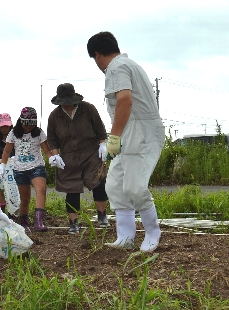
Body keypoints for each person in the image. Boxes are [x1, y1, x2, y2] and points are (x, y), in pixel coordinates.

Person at [87, 31, 165, 252]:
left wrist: (113, 138)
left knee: (134, 187)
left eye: (95, 60)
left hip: (140, 132)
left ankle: (152, 231)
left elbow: (125, 101)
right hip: (130, 131)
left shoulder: (116, 67)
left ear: (97, 55)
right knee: (115, 185)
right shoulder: (128, 65)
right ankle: (125, 236)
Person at [47, 83, 109, 234]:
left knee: (98, 182)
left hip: (91, 153)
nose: (67, 104)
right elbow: (52, 139)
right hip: (68, 156)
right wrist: (55, 155)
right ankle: (74, 222)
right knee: (71, 188)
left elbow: (100, 129)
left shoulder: (88, 109)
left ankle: (102, 216)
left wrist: (103, 145)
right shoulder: (55, 116)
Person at [0, 107, 53, 233]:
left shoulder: (39, 133)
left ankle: (39, 222)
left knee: (41, 190)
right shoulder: (13, 134)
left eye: (32, 124)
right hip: (19, 169)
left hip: (36, 166)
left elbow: (46, 150)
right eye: (26, 124)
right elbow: (6, 151)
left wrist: (52, 158)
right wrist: (2, 165)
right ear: (21, 121)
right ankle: (24, 223)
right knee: (25, 198)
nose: (28, 127)